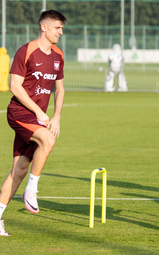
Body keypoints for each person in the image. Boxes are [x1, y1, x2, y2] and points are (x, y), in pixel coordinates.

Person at [0, 10, 66, 236]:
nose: (61, 32)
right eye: (57, 28)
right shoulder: (26, 51)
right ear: (44, 27)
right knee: (47, 140)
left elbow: (60, 89)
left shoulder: (58, 55)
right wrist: (39, 110)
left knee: (18, 170)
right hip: (19, 112)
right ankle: (32, 190)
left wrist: (56, 116)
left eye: (62, 28)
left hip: (37, 118)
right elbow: (15, 86)